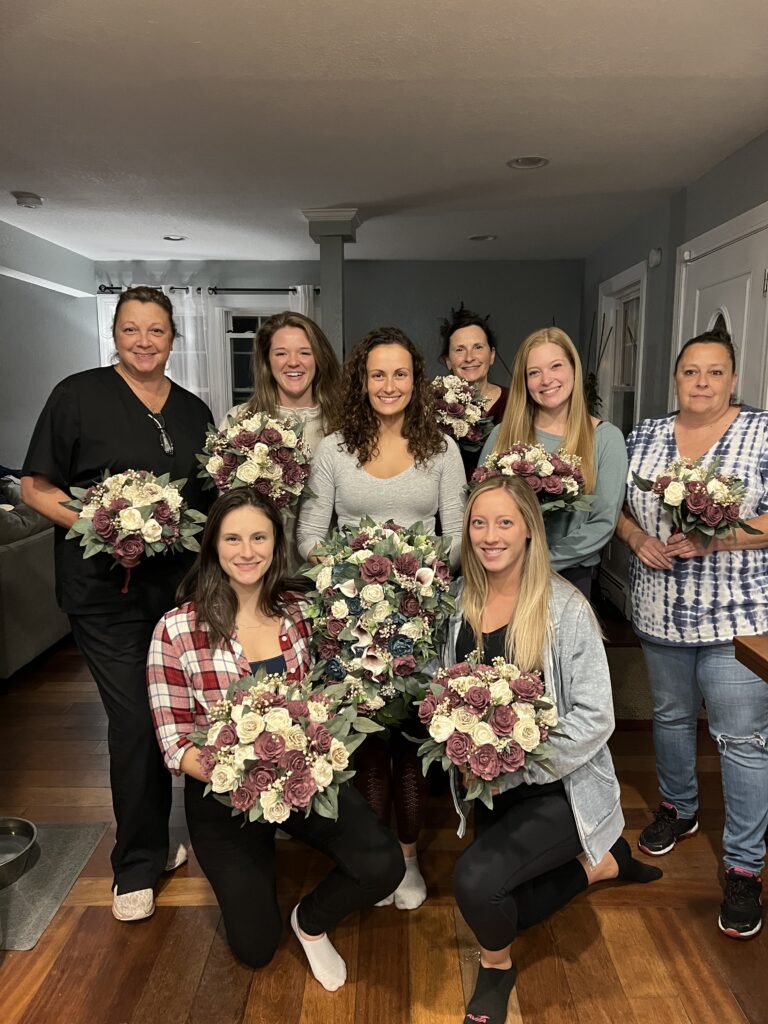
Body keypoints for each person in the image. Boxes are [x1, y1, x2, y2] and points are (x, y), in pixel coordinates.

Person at [147, 489, 404, 984]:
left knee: (383, 865)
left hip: (303, 783)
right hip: (225, 796)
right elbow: (176, 744)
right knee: (256, 949)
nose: (247, 551)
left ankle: (308, 923)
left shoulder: (300, 609)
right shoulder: (177, 629)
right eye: (234, 538)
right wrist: (249, 776)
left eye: (259, 537)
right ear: (213, 546)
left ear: (276, 542)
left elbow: (328, 694)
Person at [20, 286, 212, 921]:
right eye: (131, 330)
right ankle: (135, 863)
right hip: (102, 595)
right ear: (115, 334)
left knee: (171, 720)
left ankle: (160, 845)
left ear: (173, 336)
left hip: (175, 592)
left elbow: (207, 501)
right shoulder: (78, 395)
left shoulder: (192, 410)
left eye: (156, 330)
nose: (144, 341)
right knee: (133, 722)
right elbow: (34, 487)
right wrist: (99, 525)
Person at [447, 475, 661, 1024]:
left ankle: (496, 967)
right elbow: (442, 684)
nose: (490, 536)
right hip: (495, 786)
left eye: (504, 523)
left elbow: (596, 718)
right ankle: (607, 864)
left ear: (528, 534)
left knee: (475, 885)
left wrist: (517, 769)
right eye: (479, 523)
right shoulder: (460, 602)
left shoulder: (565, 609)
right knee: (503, 900)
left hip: (560, 784)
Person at [297, 326, 465, 909]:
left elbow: (459, 537)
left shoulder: (442, 448)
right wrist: (355, 580)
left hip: (423, 621)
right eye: (377, 374)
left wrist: (406, 578)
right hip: (348, 625)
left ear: (416, 380)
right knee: (367, 745)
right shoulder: (333, 450)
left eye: (400, 373)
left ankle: (411, 860)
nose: (388, 385)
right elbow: (310, 536)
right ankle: (380, 865)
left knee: (414, 743)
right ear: (360, 381)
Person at [616, 328, 768, 940]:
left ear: (733, 380)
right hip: (659, 610)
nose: (701, 382)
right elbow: (617, 509)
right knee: (671, 718)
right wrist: (637, 539)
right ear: (674, 379)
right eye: (690, 372)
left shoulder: (761, 434)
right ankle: (678, 810)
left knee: (743, 739)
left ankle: (743, 866)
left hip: (739, 616)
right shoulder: (645, 436)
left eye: (714, 372)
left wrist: (721, 537)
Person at [479, 327, 627, 600]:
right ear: (525, 381)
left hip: (570, 578)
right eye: (534, 372)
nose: (546, 380)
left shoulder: (606, 439)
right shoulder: (502, 435)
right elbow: (478, 509)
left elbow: (603, 522)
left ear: (573, 368)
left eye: (556, 366)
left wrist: (541, 562)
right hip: (503, 575)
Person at [223, 311, 341, 571]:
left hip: (327, 573)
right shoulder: (240, 421)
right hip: (257, 570)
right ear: (267, 360)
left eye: (304, 352)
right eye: (281, 353)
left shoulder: (343, 424)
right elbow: (225, 510)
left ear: (319, 358)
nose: (293, 362)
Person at [439, 303, 509, 478]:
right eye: (459, 349)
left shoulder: (516, 402)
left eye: (478, 347)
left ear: (492, 355)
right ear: (448, 360)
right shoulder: (433, 406)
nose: (469, 357)